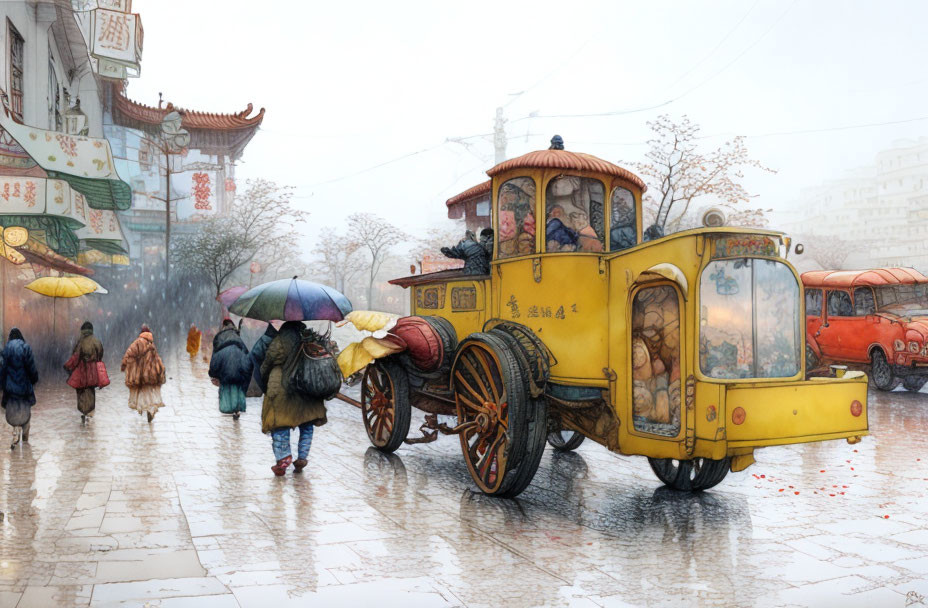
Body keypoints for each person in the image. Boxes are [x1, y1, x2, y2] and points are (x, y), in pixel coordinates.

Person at [260, 321, 327, 476]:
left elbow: (267, 364)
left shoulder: (279, 341)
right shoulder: (309, 339)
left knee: (280, 423)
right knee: (306, 422)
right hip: (306, 384)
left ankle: (284, 459)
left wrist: (264, 380)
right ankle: (302, 457)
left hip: (282, 385)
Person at [208, 319, 254, 420]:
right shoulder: (240, 339)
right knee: (237, 385)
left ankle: (228, 407)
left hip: (225, 374)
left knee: (227, 384)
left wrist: (214, 374)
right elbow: (248, 360)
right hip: (238, 372)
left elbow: (214, 363)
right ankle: (237, 410)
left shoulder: (219, 339)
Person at [0, 328, 39, 448]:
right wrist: (34, 379)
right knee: (26, 412)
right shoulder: (26, 348)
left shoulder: (6, 349)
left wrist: (2, 384)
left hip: (10, 388)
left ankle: (15, 431)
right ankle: (26, 442)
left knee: (13, 411)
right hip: (24, 387)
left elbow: (2, 369)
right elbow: (31, 367)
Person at [121, 324, 166, 423]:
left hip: (141, 374)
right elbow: (157, 359)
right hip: (151, 374)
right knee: (149, 392)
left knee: (141, 392)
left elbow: (128, 353)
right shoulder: (152, 345)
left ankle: (143, 407)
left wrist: (124, 364)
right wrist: (160, 371)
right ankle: (151, 410)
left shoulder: (137, 343)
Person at [64, 321, 105, 424]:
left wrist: (68, 366)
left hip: (82, 370)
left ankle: (83, 412)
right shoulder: (97, 341)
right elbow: (100, 354)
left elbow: (75, 357)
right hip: (93, 370)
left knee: (81, 391)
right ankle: (90, 413)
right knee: (91, 391)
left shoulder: (80, 342)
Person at [249, 323, 278, 395]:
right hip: (277, 375)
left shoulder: (261, 340)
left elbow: (255, 355)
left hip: (263, 373)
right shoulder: (279, 339)